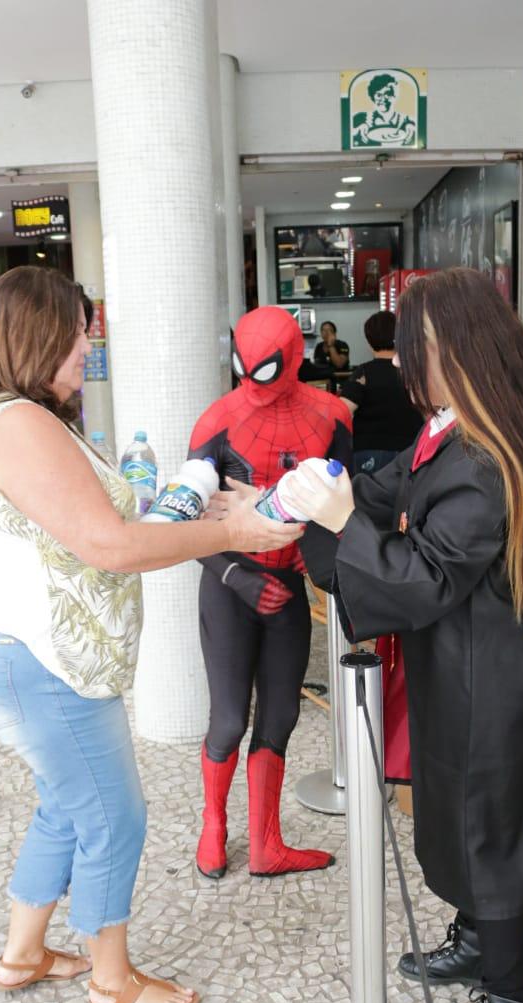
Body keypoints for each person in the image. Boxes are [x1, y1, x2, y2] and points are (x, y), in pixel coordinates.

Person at [0, 267, 301, 1003]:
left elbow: (88, 526)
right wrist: (233, 531)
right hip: (44, 667)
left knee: (64, 806)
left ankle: (23, 954)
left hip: (25, 658)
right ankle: (113, 979)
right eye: (79, 331)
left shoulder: (13, 417)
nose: (88, 345)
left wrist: (175, 503)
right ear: (40, 333)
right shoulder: (18, 424)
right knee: (114, 815)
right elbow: (108, 546)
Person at [285, 268, 523, 1003]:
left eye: (416, 350)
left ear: (453, 352)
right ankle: (477, 943)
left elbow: (424, 578)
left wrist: (339, 521)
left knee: (488, 836)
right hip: (465, 667)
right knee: (457, 815)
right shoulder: (457, 431)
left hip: (490, 680)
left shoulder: (486, 458)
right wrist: (313, 495)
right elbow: (391, 490)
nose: (409, 367)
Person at [186, 306, 352, 880]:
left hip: (286, 589)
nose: (251, 388)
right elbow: (185, 526)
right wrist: (240, 577)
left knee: (279, 715)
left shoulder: (331, 418)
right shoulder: (217, 422)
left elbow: (342, 502)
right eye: (244, 370)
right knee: (229, 718)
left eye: (264, 372)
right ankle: (213, 827)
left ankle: (266, 844)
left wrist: (314, 560)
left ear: (293, 360)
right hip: (230, 587)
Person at [340, 309, 424, 475]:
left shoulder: (364, 373)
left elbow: (342, 411)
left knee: (369, 499)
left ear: (369, 340)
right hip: (411, 450)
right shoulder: (414, 371)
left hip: (369, 450)